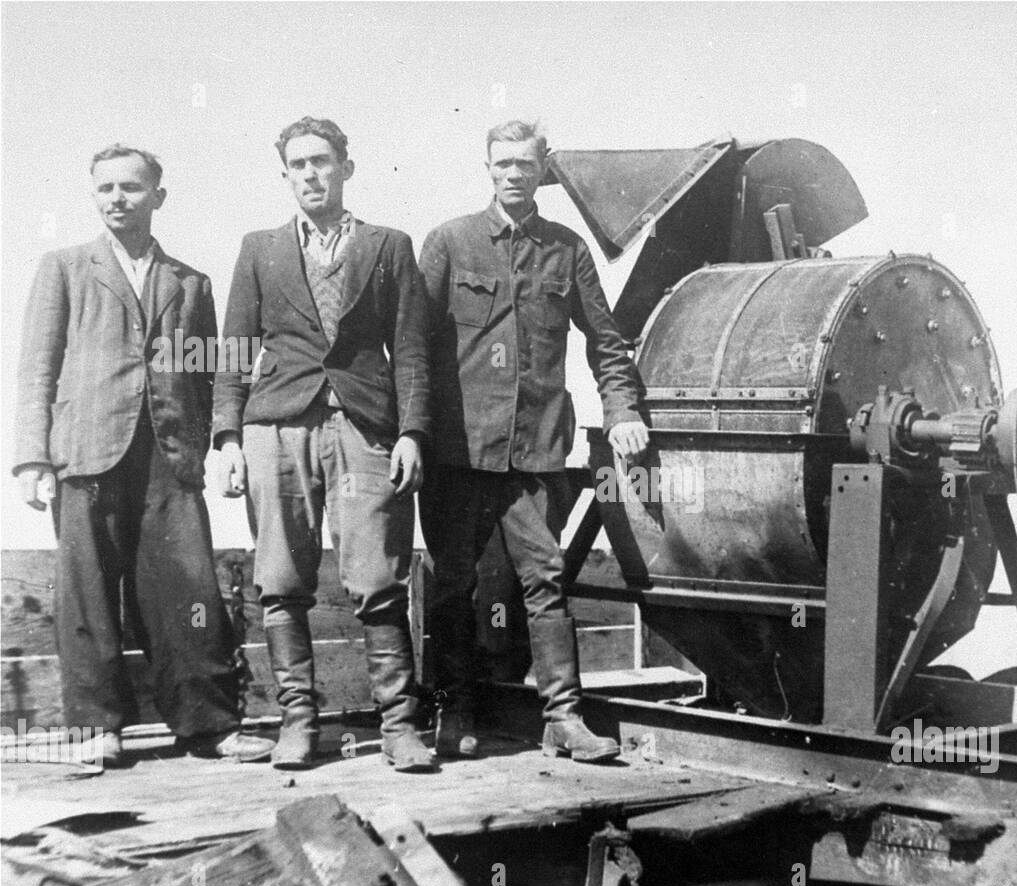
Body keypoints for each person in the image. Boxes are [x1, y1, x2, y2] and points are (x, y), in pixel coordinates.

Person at [11, 144, 273, 767]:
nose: (117, 199)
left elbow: (214, 370)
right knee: (88, 592)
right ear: (93, 194)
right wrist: (32, 458)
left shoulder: (191, 282)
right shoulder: (65, 267)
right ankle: (97, 729)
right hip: (86, 453)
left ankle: (207, 724)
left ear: (158, 196)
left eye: (131, 187)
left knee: (189, 587)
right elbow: (37, 369)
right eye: (105, 188)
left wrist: (220, 441)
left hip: (168, 455)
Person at [418, 119, 649, 763]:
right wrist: (411, 435)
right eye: (502, 164)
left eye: (524, 163)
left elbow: (606, 342)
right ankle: (454, 710)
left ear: (543, 168)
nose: (513, 174)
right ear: (487, 169)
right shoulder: (448, 243)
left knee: (546, 578)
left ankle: (564, 719)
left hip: (535, 452)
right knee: (453, 583)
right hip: (457, 454)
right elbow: (412, 348)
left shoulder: (567, 250)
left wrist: (623, 408)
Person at [214, 117, 435, 772]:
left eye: (322, 161)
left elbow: (413, 352)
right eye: (298, 165)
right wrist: (228, 438)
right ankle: (297, 722)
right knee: (280, 578)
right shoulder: (261, 249)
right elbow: (232, 351)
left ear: (346, 167)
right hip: (276, 428)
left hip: (365, 428)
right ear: (285, 174)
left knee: (376, 578)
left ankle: (400, 727)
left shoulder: (389, 247)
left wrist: (412, 432)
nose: (311, 174)